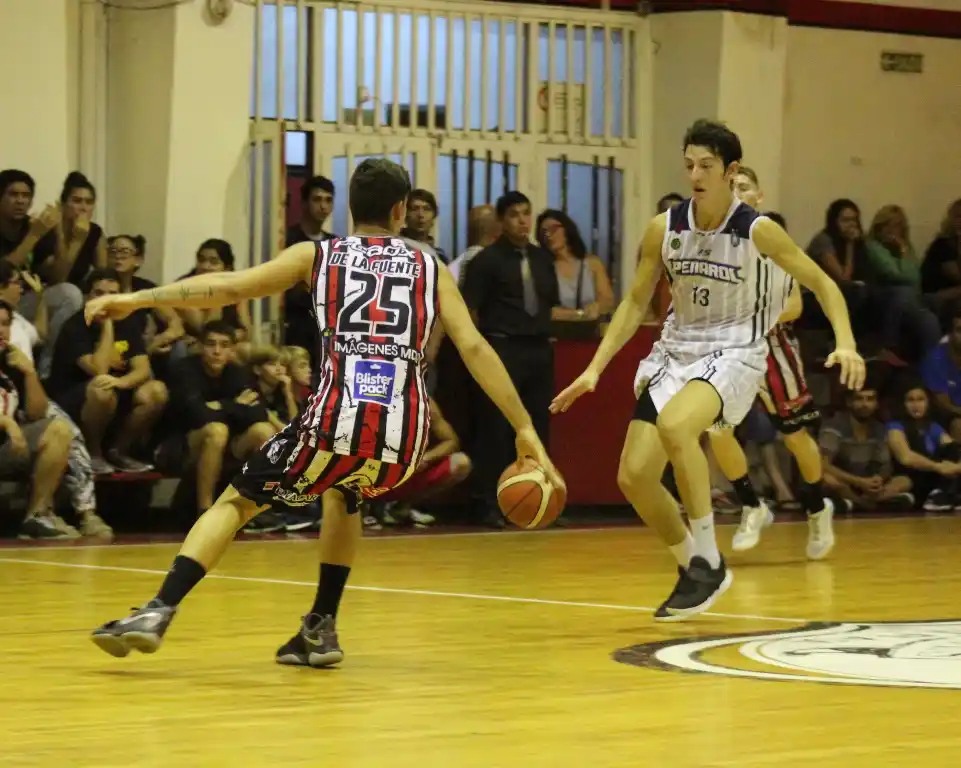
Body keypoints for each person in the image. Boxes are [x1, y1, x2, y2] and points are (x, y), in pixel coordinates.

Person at [87, 158, 562, 665]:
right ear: (401, 210)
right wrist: (525, 427)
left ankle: (159, 608)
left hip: (336, 420)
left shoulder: (319, 254)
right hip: (403, 436)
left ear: (350, 208)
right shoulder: (429, 265)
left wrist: (139, 298)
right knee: (346, 493)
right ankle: (320, 628)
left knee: (236, 502)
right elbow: (474, 347)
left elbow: (230, 287)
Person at [551, 120, 863, 622]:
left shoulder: (758, 230)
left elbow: (823, 285)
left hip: (736, 351)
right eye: (689, 164)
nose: (695, 174)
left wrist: (846, 343)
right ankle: (695, 569)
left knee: (678, 426)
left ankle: (709, 556)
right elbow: (634, 302)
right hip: (676, 352)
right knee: (633, 477)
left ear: (730, 170)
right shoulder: (665, 227)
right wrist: (594, 369)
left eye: (707, 166)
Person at [705, 167, 836, 559]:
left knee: (794, 436)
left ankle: (816, 508)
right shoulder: (711, 244)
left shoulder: (771, 241)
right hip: (727, 350)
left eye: (744, 187)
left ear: (759, 196)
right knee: (717, 431)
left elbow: (794, 305)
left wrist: (748, 316)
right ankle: (752, 504)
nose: (737, 193)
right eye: (731, 188)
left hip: (772, 348)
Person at [48, 268, 168, 474]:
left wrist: (122, 382)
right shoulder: (75, 327)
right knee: (101, 386)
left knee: (156, 390)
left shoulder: (128, 324)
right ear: (88, 297)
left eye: (113, 295)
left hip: (115, 393)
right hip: (74, 402)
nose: (106, 300)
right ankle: (93, 454)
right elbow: (99, 369)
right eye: (99, 294)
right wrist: (108, 325)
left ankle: (118, 451)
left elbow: (143, 369)